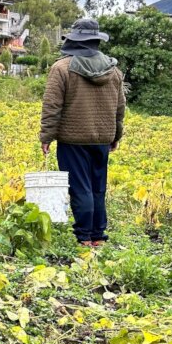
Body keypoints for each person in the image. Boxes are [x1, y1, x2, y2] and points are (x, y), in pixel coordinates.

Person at [39, 18, 126, 247]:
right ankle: (98, 236)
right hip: (102, 139)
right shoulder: (113, 70)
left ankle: (84, 237)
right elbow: (120, 107)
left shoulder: (61, 68)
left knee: (80, 188)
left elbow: (52, 106)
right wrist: (116, 135)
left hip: (72, 139)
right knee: (98, 188)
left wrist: (46, 136)